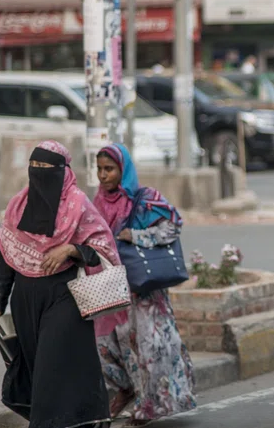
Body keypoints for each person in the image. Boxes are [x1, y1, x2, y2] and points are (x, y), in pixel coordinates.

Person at [0, 141, 120, 428]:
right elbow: (6, 255)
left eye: (47, 168)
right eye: (35, 168)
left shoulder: (78, 205)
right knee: (39, 371)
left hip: (65, 297)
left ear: (63, 171)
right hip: (24, 301)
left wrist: (71, 249)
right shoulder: (17, 206)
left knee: (52, 370)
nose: (40, 174)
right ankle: (85, 420)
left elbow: (103, 249)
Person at [93, 144, 196, 425]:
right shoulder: (97, 203)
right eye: (99, 169)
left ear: (123, 170)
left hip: (145, 290)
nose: (103, 176)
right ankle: (128, 391)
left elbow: (173, 226)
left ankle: (149, 405)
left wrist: (136, 236)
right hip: (114, 290)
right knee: (108, 347)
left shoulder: (146, 199)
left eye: (109, 169)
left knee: (148, 349)